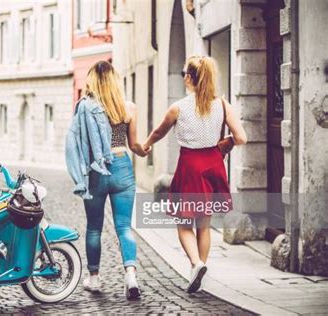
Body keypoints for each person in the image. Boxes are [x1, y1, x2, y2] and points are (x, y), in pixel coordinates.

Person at [143, 56, 247, 293]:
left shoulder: (178, 107)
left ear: (190, 78)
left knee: (183, 223)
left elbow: (159, 132)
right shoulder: (222, 104)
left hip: (190, 166)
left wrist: (146, 145)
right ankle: (198, 271)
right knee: (204, 224)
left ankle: (196, 264)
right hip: (213, 164)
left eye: (184, 74)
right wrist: (225, 143)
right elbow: (242, 137)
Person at [65, 60, 148, 300]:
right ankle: (131, 274)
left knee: (94, 227)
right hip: (122, 165)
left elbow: (78, 142)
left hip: (96, 171)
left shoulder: (86, 107)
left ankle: (94, 278)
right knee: (124, 226)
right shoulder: (128, 107)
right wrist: (144, 150)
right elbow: (134, 145)